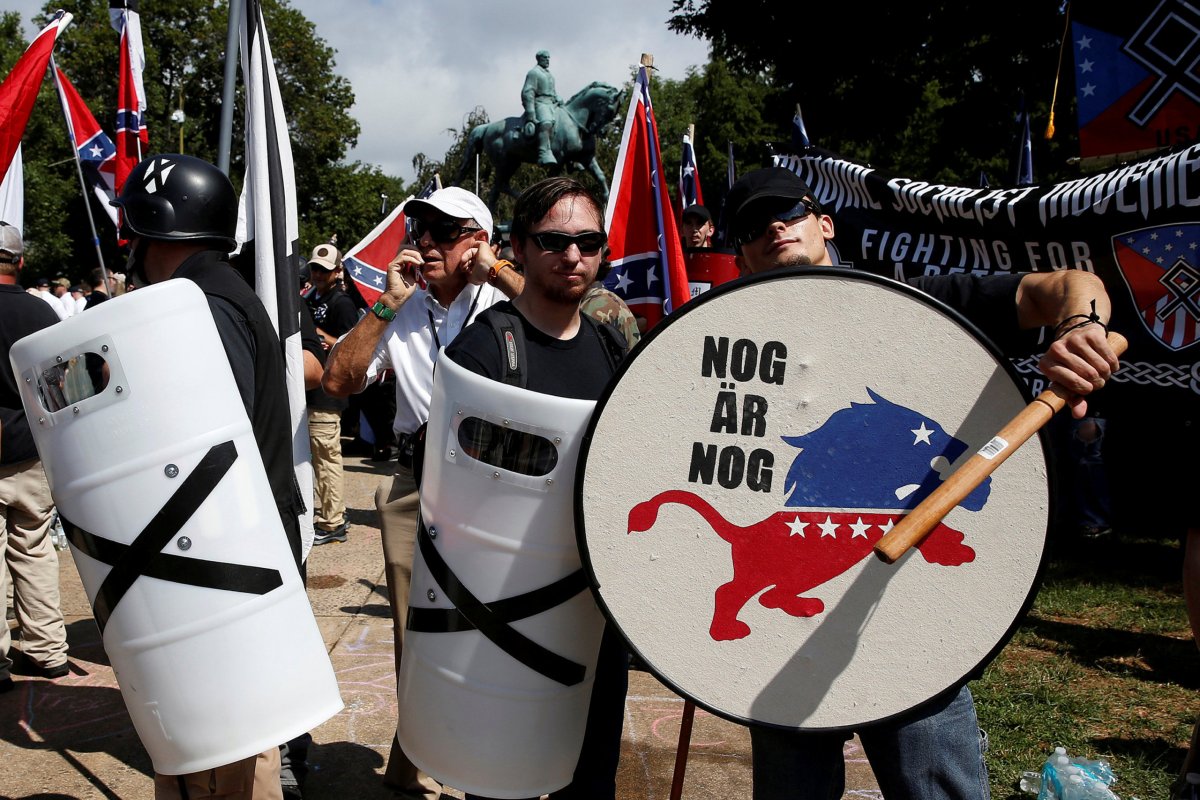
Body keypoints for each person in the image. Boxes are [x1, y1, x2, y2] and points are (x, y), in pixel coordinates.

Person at [725, 167, 1119, 800]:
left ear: (825, 224)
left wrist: (1081, 325)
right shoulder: (730, 337)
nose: (774, 226)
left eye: (790, 211)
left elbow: (1073, 284)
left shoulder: (915, 298)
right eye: (752, 224)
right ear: (741, 256)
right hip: (791, 616)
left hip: (912, 612)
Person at [111, 153, 304, 800]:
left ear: (159, 231)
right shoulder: (212, 295)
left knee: (226, 768)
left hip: (223, 572)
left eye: (135, 232)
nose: (130, 248)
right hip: (226, 565)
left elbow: (205, 455)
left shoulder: (202, 308)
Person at [321, 186, 523, 798]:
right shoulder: (403, 308)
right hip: (418, 478)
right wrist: (384, 306)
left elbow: (575, 313)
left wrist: (499, 271)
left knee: (495, 629)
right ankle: (412, 762)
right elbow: (338, 380)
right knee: (414, 631)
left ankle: (487, 760)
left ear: (479, 241)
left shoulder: (506, 302)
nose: (427, 242)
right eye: (422, 229)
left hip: (496, 481)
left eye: (446, 231)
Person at [443, 176, 630, 800]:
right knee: (504, 781)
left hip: (590, 606)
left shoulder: (609, 344)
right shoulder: (486, 348)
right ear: (518, 247)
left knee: (590, 775)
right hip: (509, 607)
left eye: (587, 241)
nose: (572, 255)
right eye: (553, 240)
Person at [0, 222, 70, 695]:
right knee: (34, 546)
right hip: (31, 447)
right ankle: (48, 650)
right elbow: (62, 381)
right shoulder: (41, 310)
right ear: (20, 262)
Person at [302, 243, 358, 546]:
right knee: (319, 458)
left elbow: (354, 346)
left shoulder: (342, 302)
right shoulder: (311, 298)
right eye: (314, 268)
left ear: (338, 271)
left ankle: (332, 521)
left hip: (327, 394)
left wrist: (321, 337)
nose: (318, 274)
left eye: (324, 269)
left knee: (326, 458)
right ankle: (334, 512)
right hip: (310, 391)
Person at [521, 50, 561, 166]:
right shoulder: (534, 73)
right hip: (540, 103)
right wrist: (530, 111)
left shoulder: (550, 75)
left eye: (549, 57)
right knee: (546, 122)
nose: (548, 60)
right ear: (539, 59)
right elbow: (527, 92)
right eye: (545, 58)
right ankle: (543, 152)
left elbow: (552, 92)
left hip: (552, 103)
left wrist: (557, 97)